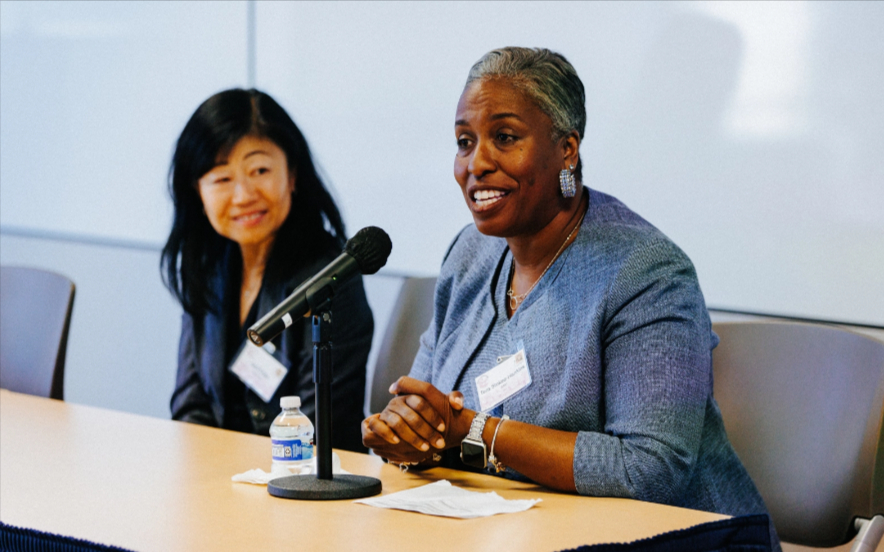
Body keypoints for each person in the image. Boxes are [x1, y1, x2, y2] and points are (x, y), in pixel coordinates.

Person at [363, 47, 779, 548]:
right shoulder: (469, 255)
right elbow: (431, 414)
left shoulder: (645, 271)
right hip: (512, 533)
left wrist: (476, 430)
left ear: (567, 149)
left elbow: (650, 469)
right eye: (464, 142)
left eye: (505, 138)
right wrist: (406, 434)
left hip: (681, 539)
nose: (478, 163)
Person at [163, 88, 372, 452]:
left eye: (259, 170)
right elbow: (190, 406)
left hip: (297, 483)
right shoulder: (208, 266)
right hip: (219, 484)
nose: (243, 194)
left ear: (292, 174)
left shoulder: (329, 278)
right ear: (197, 191)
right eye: (221, 178)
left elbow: (323, 430)